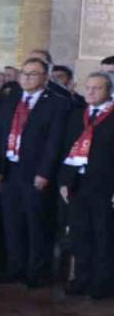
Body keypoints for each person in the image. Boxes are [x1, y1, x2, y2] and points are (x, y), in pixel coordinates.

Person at [0, 57, 69, 287]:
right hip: (9, 169)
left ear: (45, 78)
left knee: (36, 223)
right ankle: (15, 267)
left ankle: (37, 271)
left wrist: (44, 172)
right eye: (24, 73)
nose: (27, 77)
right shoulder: (11, 99)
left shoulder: (56, 103)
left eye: (33, 74)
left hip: (35, 172)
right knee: (12, 223)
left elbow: (54, 143)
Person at [59, 72, 114, 298]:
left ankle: (101, 283)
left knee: (103, 235)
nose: (90, 92)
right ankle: (81, 278)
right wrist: (64, 180)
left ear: (109, 91)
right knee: (80, 234)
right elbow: (66, 149)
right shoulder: (77, 115)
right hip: (77, 183)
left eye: (97, 88)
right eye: (88, 87)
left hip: (104, 185)